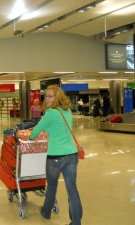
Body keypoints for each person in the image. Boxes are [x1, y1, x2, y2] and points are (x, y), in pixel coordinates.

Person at [29, 85, 82, 225]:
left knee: (52, 186)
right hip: (72, 154)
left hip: (56, 157)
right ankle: (76, 222)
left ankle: (46, 212)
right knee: (72, 189)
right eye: (45, 95)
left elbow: (36, 131)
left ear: (57, 97)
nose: (47, 98)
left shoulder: (51, 113)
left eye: (50, 96)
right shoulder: (67, 110)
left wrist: (31, 138)